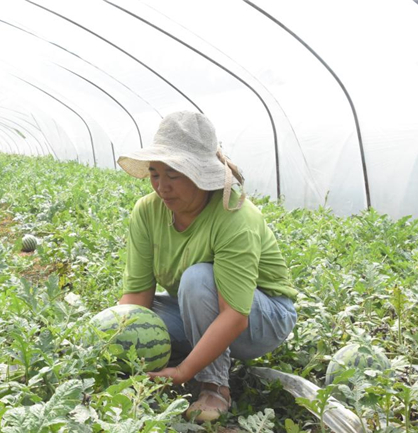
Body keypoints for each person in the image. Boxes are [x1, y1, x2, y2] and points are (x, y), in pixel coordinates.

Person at [116, 111, 297, 423]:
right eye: (155, 174)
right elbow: (137, 295)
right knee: (133, 318)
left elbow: (235, 316)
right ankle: (188, 358)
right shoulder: (146, 212)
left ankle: (214, 386)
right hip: (199, 310)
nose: (162, 187)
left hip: (262, 318)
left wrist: (185, 372)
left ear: (201, 174)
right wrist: (116, 339)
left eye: (173, 176)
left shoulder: (234, 215)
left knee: (198, 278)